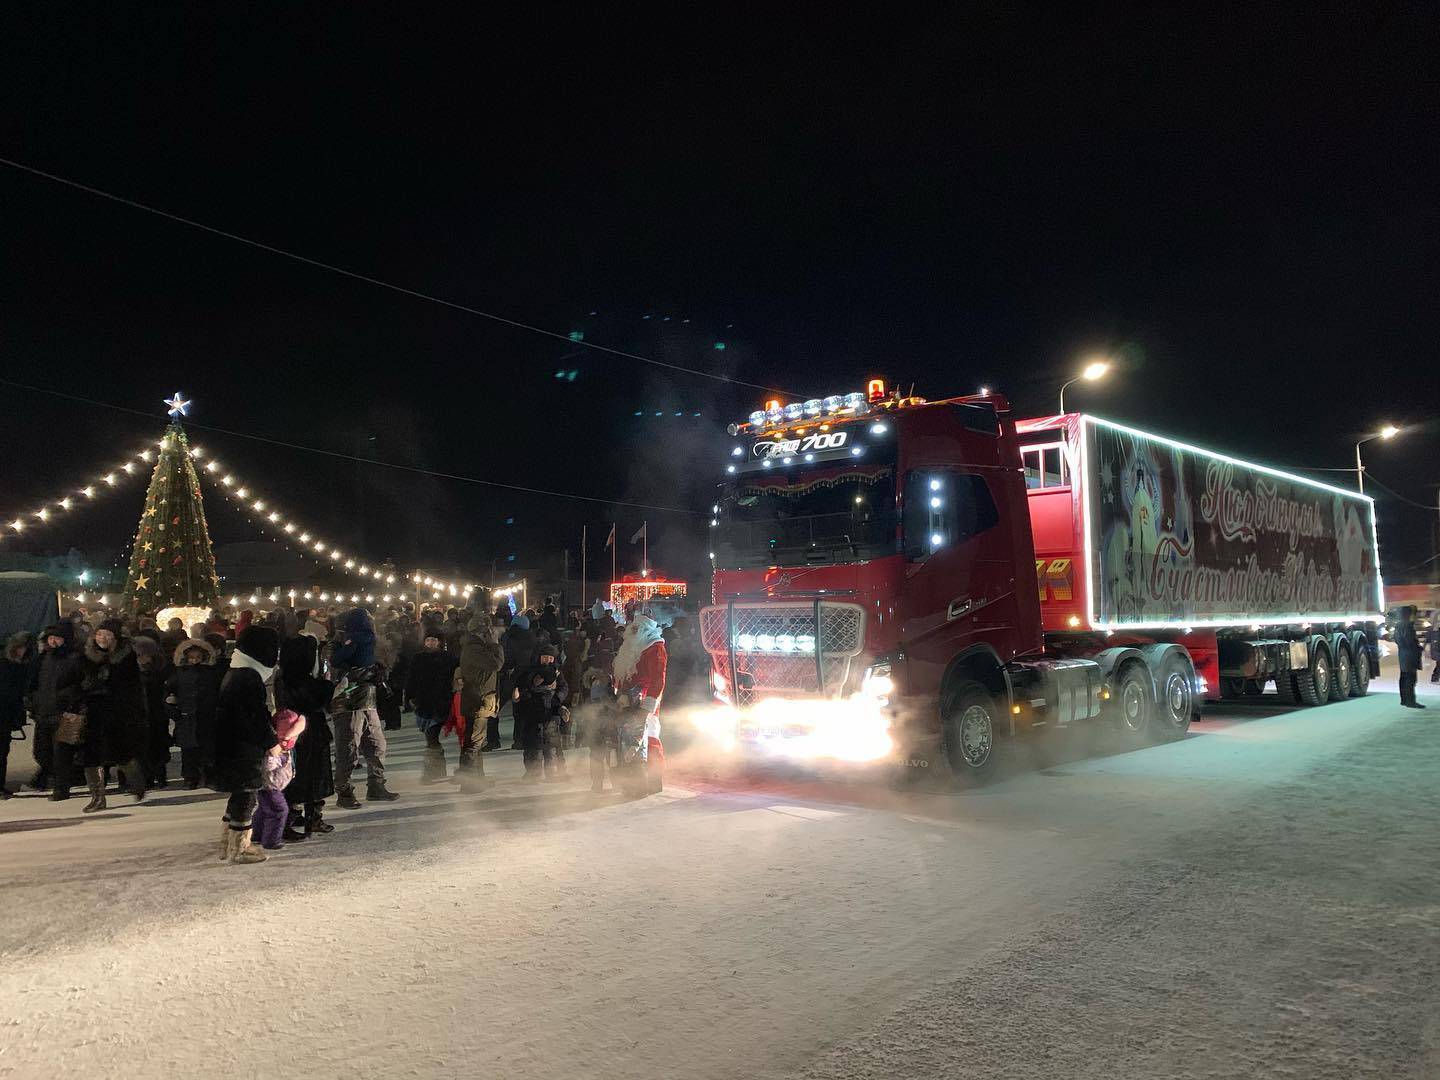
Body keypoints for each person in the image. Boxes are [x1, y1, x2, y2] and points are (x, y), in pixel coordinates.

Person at [213, 625, 280, 864]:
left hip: (231, 743)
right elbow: (255, 717)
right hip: (243, 747)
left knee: (239, 794)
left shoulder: (237, 671)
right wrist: (271, 741)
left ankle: (228, 843)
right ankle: (240, 848)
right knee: (246, 795)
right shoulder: (248, 677)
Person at [78, 619, 148, 811]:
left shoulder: (126, 658)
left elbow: (132, 687)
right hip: (92, 711)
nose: (103, 638)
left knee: (121, 753)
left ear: (115, 638)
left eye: (107, 635)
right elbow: (76, 680)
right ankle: (97, 797)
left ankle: (136, 780)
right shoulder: (86, 656)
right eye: (100, 634)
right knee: (91, 756)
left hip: (118, 712)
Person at [330, 608, 397, 808]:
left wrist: (377, 670)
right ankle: (344, 791)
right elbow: (333, 667)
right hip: (348, 699)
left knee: (377, 743)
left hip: (367, 698)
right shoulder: (340, 641)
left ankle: (376, 785)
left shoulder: (369, 640)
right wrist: (359, 672)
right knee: (348, 746)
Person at [277, 626, 335, 839]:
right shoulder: (304, 682)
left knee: (296, 777)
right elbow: (316, 699)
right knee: (310, 776)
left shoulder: (282, 679)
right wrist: (328, 686)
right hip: (308, 732)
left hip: (291, 733)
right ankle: (306, 819)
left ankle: (299, 817)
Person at [612, 612, 667, 794]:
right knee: (629, 741)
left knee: (649, 738)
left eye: (637, 628)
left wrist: (647, 705)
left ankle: (652, 780)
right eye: (632, 628)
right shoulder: (630, 647)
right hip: (627, 700)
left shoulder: (655, 647)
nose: (633, 631)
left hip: (644, 701)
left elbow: (658, 679)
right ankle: (632, 781)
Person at [27, 623, 84, 796]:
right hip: (43, 712)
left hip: (65, 713)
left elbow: (82, 684)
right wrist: (33, 702)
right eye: (50, 638)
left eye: (57, 638)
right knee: (41, 752)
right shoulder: (42, 659)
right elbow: (32, 684)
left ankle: (62, 787)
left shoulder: (74, 658)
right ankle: (54, 778)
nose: (53, 641)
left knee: (62, 753)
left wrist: (71, 700)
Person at [166, 638, 221, 788]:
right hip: (186, 716)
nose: (194, 660)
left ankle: (208, 775)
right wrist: (175, 712)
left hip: (206, 716)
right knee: (188, 750)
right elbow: (168, 693)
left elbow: (217, 692)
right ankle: (190, 777)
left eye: (197, 657)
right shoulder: (180, 674)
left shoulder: (211, 673)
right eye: (191, 657)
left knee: (207, 749)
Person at [250, 708, 305, 852]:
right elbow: (266, 768)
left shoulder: (284, 749)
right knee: (279, 810)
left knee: (263, 810)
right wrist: (277, 752)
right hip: (269, 786)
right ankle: (271, 840)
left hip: (272, 786)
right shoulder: (273, 751)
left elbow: (301, 721)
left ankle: (256, 835)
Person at [409, 630, 460, 782]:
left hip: (441, 702)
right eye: (428, 640)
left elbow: (456, 675)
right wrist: (411, 696)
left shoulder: (448, 658)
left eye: (433, 640)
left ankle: (433, 771)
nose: (430, 643)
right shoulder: (418, 658)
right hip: (423, 702)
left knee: (432, 736)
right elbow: (411, 679)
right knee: (430, 737)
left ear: (439, 642)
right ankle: (437, 770)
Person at [516, 641, 569, 781]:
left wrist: (557, 699)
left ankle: (554, 772)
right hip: (533, 712)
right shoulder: (530, 671)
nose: (548, 660)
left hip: (550, 712)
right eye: (545, 657)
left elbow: (563, 688)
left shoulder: (557, 673)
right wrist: (532, 686)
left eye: (550, 658)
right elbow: (522, 687)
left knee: (552, 744)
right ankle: (533, 772)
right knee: (533, 744)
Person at [132, 635, 173, 788]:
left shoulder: (161, 671)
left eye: (143, 655)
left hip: (157, 714)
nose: (140, 659)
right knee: (143, 748)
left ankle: (160, 775)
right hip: (140, 715)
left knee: (158, 746)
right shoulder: (132, 673)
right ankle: (147, 777)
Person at [0, 633, 32, 797]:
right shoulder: (6, 665)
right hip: (4, 712)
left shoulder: (21, 666)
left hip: (8, 714)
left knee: (3, 750)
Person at [500, 614, 538, 749]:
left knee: (495, 707)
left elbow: (505, 655)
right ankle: (519, 739)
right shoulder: (532, 638)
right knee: (520, 710)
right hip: (525, 676)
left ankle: (492, 738)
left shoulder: (507, 637)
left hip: (508, 675)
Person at [1396, 605, 1425, 709]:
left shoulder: (1398, 625)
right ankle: (1411, 701)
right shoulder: (1408, 626)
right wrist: (1419, 648)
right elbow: (1410, 641)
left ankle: (1404, 700)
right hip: (1410, 656)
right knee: (1410, 679)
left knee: (1404, 677)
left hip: (1403, 655)